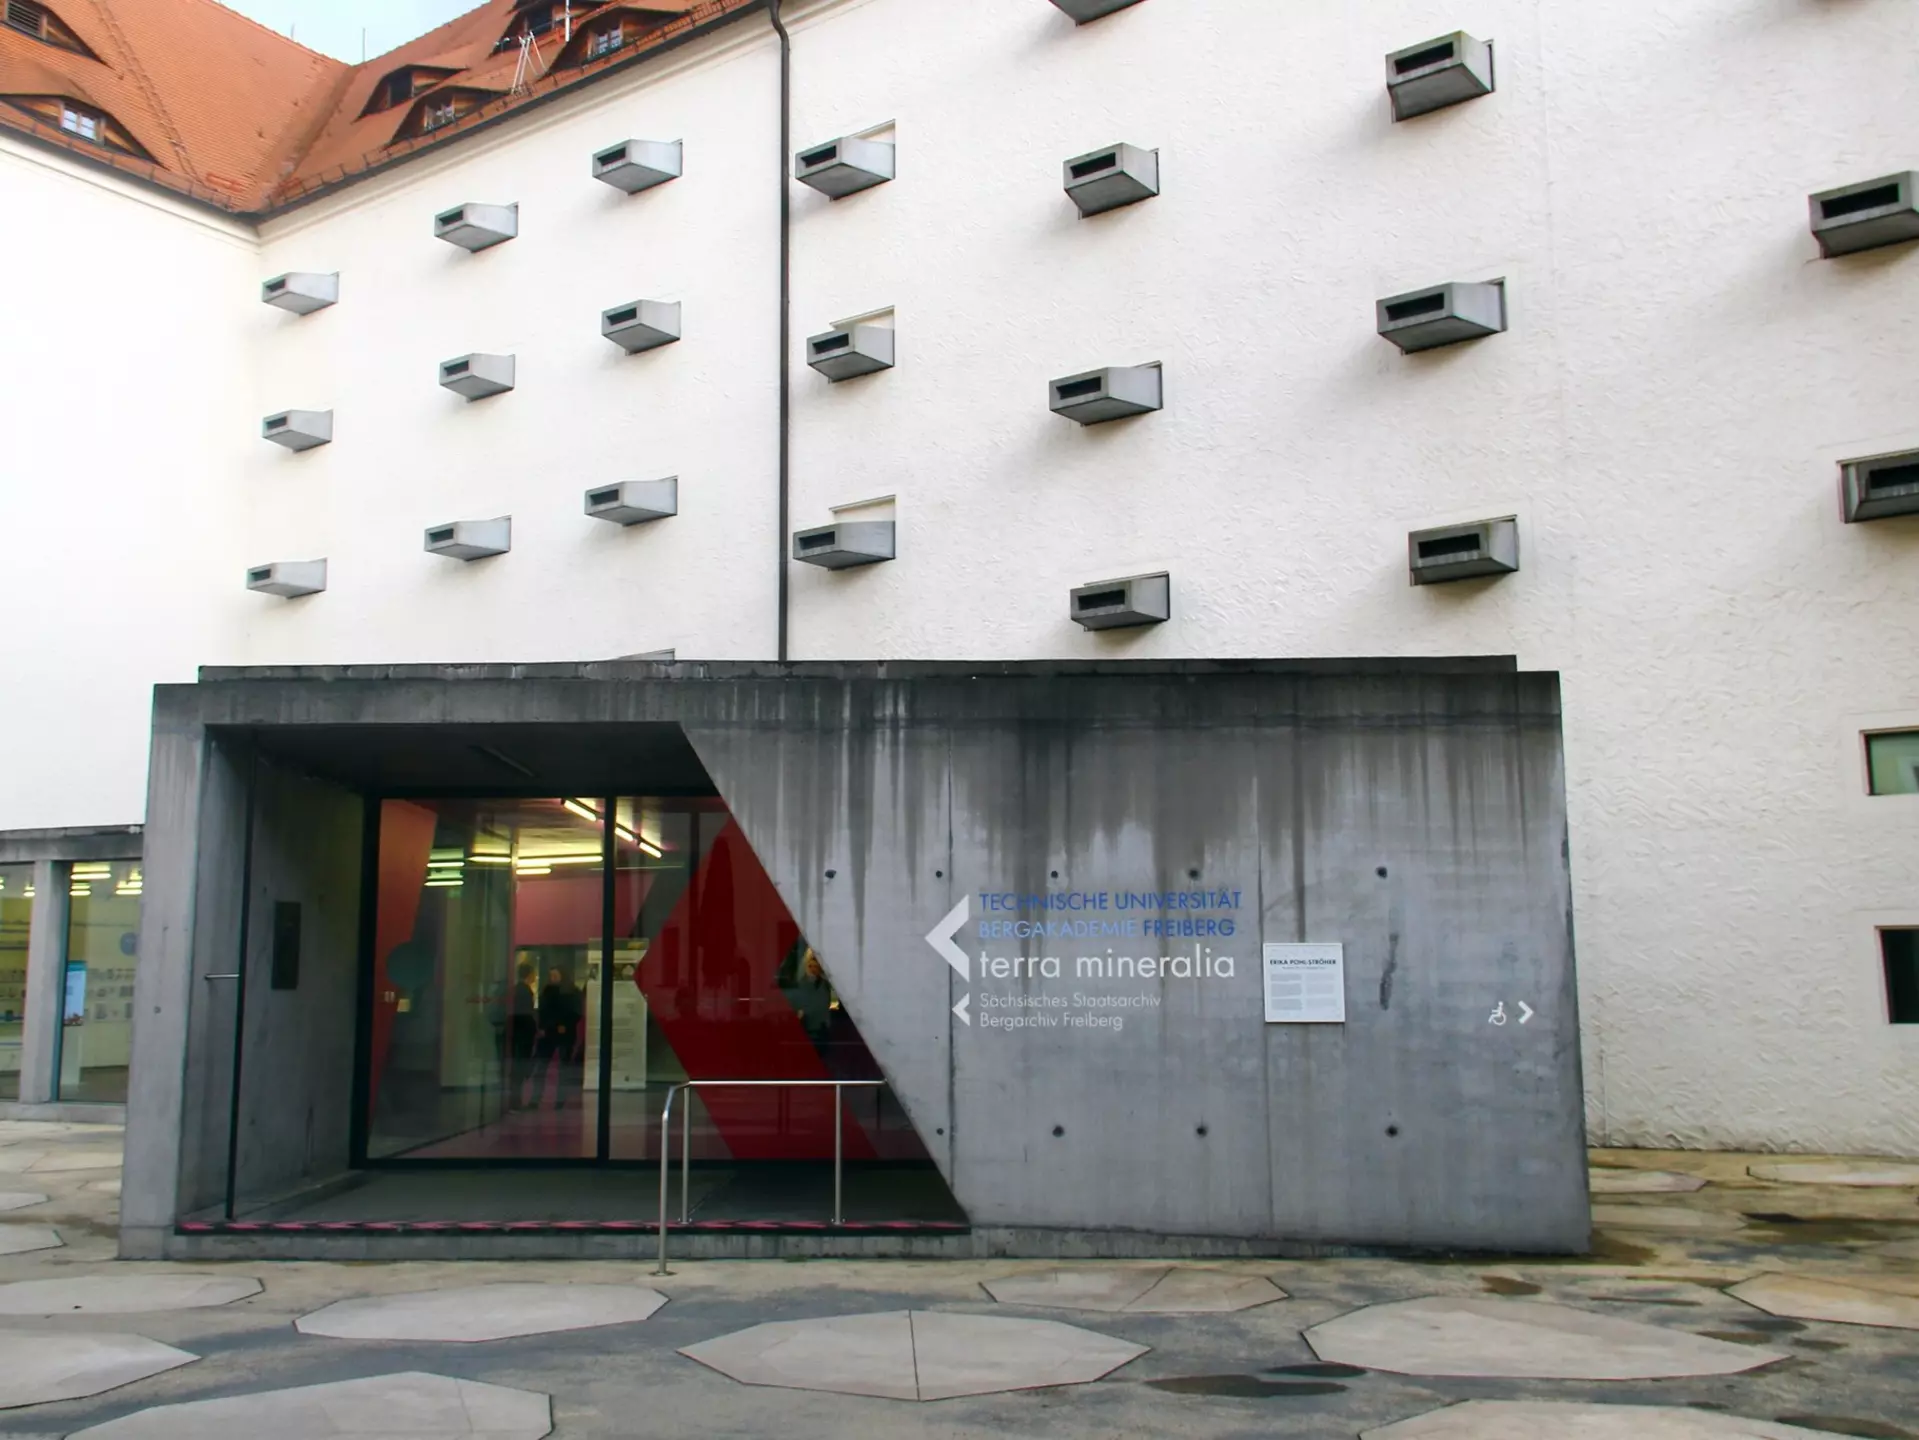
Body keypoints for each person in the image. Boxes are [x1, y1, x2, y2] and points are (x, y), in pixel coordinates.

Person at [538, 964, 585, 1110]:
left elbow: (576, 1012)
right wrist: (543, 1026)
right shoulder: (548, 991)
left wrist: (565, 1024)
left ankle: (560, 1101)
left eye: (555, 976)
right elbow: (543, 1010)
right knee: (541, 1065)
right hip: (549, 1032)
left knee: (563, 1068)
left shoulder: (572, 991)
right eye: (551, 976)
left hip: (566, 1032)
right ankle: (536, 1099)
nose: (553, 978)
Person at [506, 958, 540, 1110]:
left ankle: (514, 1102)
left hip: (517, 1033)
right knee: (519, 1068)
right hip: (523, 1034)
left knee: (517, 1068)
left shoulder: (516, 989)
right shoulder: (525, 991)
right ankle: (514, 1102)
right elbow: (526, 1014)